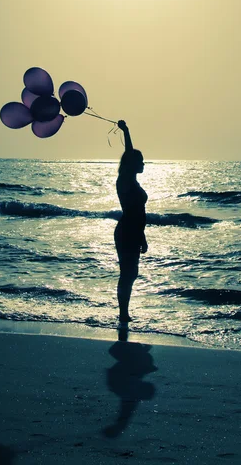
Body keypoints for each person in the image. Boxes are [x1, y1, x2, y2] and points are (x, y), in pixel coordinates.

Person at [114, 120, 148, 327]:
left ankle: (124, 312)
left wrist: (143, 237)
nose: (144, 163)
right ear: (132, 164)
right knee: (128, 273)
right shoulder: (125, 180)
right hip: (127, 231)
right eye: (141, 161)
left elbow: (140, 213)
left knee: (131, 273)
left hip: (133, 231)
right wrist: (126, 132)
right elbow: (128, 154)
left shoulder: (133, 181)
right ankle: (123, 313)